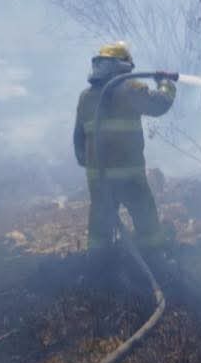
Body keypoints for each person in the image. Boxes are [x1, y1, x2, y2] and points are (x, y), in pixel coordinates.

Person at [73, 41, 176, 250]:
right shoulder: (131, 89)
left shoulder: (86, 97)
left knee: (100, 228)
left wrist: (91, 165)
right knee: (146, 220)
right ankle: (155, 259)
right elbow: (160, 104)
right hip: (129, 177)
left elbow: (78, 142)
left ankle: (96, 267)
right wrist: (166, 83)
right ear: (123, 65)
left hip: (98, 179)